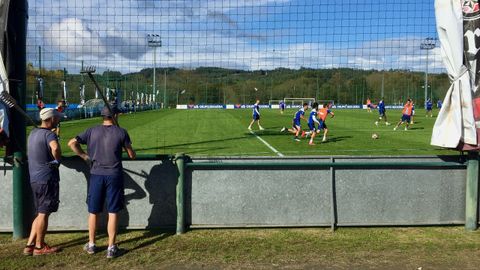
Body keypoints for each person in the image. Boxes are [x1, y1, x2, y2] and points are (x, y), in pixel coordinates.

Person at [68, 106, 136, 259]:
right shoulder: (121, 132)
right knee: (113, 211)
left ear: (103, 116)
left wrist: (85, 156)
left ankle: (91, 245)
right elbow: (132, 155)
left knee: (93, 211)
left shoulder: (91, 130)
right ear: (114, 116)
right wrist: (127, 147)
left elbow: (71, 143)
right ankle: (111, 248)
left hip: (96, 174)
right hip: (114, 175)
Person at [24, 108, 64, 256]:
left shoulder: (33, 133)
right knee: (43, 214)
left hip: (35, 179)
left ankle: (30, 245)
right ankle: (39, 247)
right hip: (47, 179)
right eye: (57, 118)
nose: (59, 120)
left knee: (40, 213)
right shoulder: (49, 134)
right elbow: (55, 148)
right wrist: (57, 160)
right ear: (51, 119)